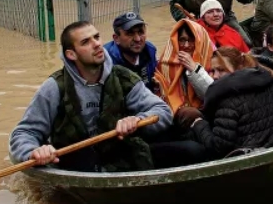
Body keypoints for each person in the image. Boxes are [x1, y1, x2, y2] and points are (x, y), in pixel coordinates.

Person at [9, 21, 173, 172]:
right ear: (71, 54)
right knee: (85, 159)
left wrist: (138, 121)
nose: (97, 44)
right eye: (86, 42)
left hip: (118, 153)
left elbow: (163, 111)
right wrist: (34, 152)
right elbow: (24, 133)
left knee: (191, 150)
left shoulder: (123, 78)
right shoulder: (54, 87)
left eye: (96, 37)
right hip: (76, 162)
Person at [188, 47, 273, 158]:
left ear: (238, 68)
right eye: (213, 71)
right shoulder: (269, 87)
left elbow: (219, 147)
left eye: (221, 70)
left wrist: (200, 126)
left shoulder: (227, 102)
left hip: (251, 164)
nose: (215, 76)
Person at [154, 19, 215, 112]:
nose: (186, 45)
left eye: (191, 40)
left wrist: (194, 69)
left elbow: (212, 95)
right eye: (182, 40)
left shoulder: (211, 61)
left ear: (200, 41)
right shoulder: (166, 63)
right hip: (175, 114)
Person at [104, 12, 158, 89]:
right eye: (130, 33)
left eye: (140, 32)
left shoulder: (150, 51)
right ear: (116, 38)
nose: (137, 39)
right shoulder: (106, 60)